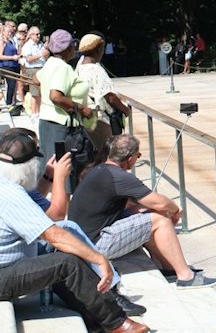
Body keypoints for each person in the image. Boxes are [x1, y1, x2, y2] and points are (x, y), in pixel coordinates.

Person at [0, 130, 148, 332]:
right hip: (3, 275)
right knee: (67, 262)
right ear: (29, 168)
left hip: (9, 265)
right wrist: (99, 258)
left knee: (64, 254)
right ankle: (117, 323)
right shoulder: (11, 193)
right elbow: (54, 233)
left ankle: (93, 315)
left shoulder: (5, 183)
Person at [68, 134, 216, 290]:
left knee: (150, 214)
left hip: (83, 239)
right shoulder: (119, 176)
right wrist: (175, 211)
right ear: (131, 158)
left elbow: (134, 206)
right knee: (159, 219)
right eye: (138, 155)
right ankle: (186, 276)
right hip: (95, 245)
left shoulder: (100, 169)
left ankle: (168, 267)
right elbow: (159, 202)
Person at [36, 29, 94, 160]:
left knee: (50, 165)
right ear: (67, 48)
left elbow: (35, 79)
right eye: (72, 45)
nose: (75, 48)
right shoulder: (63, 67)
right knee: (63, 169)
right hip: (60, 126)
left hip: (46, 122)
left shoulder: (50, 62)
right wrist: (82, 109)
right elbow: (55, 96)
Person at [76, 33, 132, 160]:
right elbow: (109, 96)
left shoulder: (80, 67)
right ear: (98, 50)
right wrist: (125, 109)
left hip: (86, 117)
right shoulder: (96, 70)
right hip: (100, 118)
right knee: (109, 155)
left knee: (96, 153)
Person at [21, 26, 48, 116]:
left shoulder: (40, 44)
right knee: (34, 93)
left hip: (41, 69)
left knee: (41, 93)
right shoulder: (28, 45)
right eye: (36, 34)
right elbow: (28, 59)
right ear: (31, 35)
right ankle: (34, 113)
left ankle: (39, 112)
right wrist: (40, 55)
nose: (38, 35)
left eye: (39, 34)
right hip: (33, 69)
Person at [0, 22, 21, 106]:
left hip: (14, 65)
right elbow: (0, 56)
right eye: (8, 32)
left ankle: (12, 102)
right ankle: (9, 103)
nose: (9, 33)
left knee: (13, 85)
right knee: (11, 84)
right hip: (6, 65)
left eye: (10, 32)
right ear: (3, 32)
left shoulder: (11, 42)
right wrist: (12, 57)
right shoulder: (2, 42)